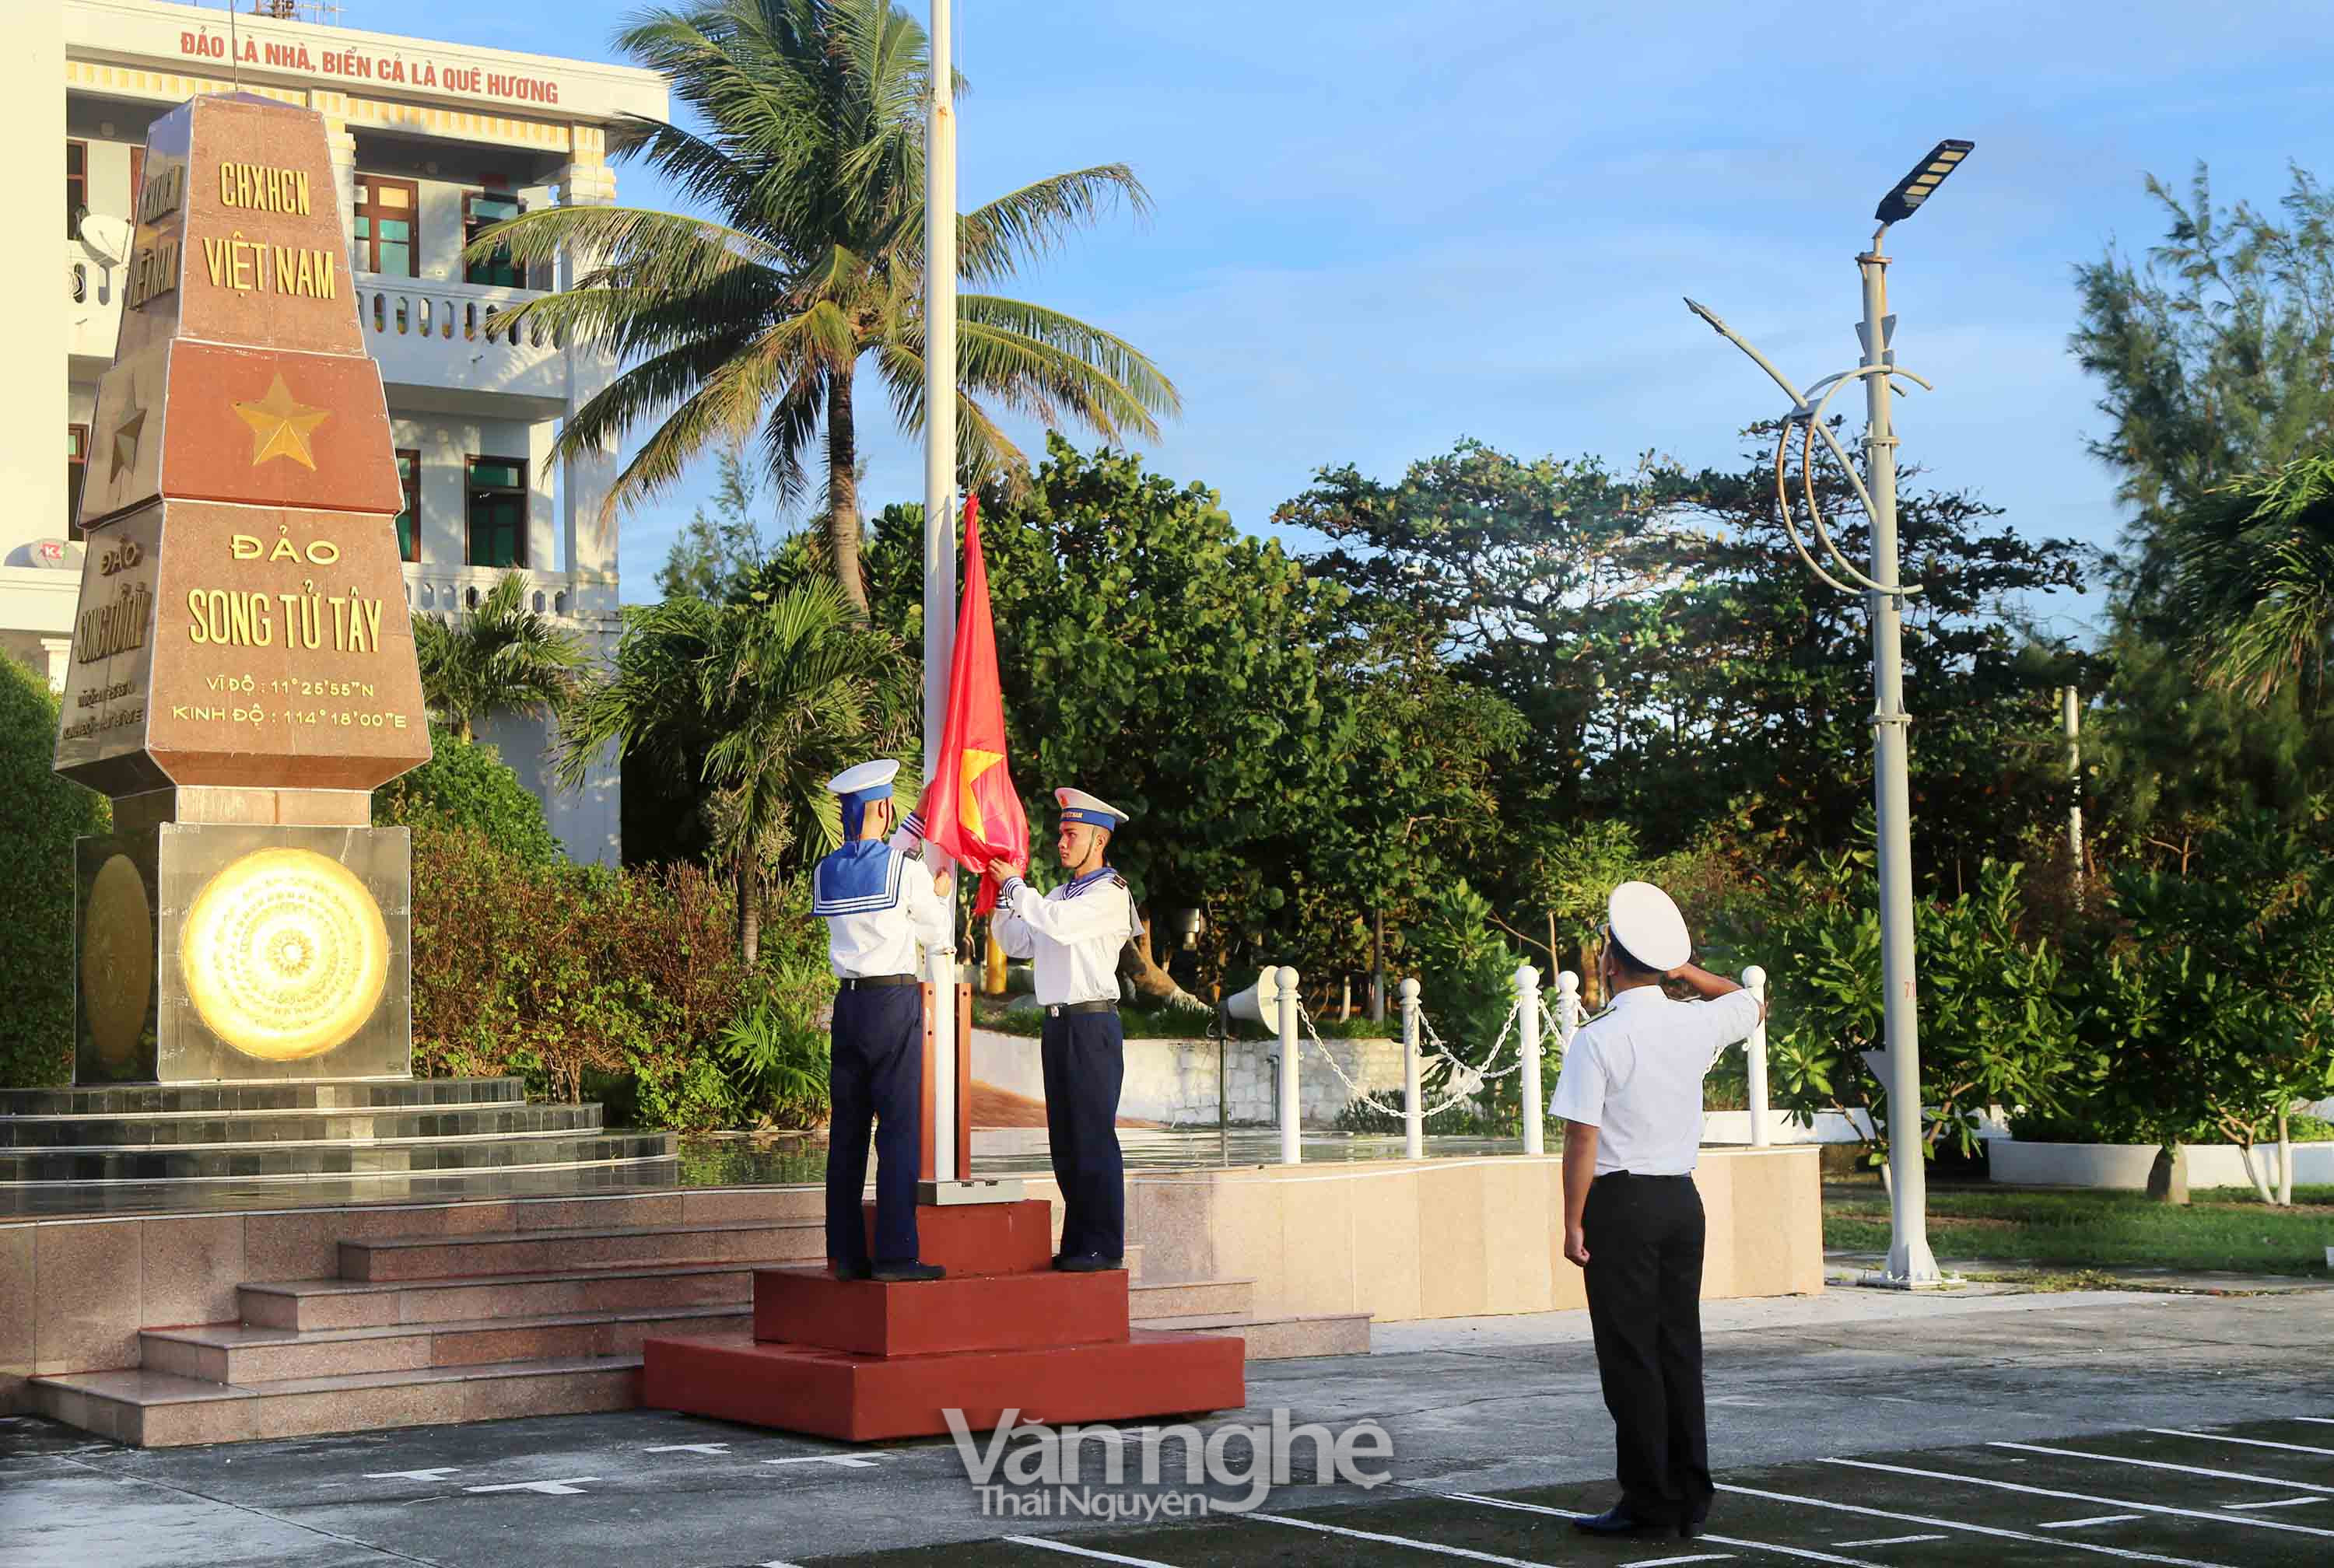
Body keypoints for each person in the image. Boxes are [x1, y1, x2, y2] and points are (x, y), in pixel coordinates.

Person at [1547, 880, 1767, 1541]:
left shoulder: (1598, 1038)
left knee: (1630, 1357)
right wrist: (1683, 968)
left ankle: (1649, 1501)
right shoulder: (1692, 1018)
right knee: (1677, 1349)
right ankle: (1689, 1497)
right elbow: (1748, 1002)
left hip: (1622, 1202)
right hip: (1680, 1201)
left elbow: (1582, 1136)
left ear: (1610, 962)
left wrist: (1572, 1219)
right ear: (1662, 964)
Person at [812, 760, 955, 1283]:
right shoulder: (907, 872)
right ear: (881, 807)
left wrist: (914, 823)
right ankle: (897, 1255)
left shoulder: (826, 871)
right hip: (892, 1005)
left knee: (847, 1135)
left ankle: (846, 1255)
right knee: (897, 1132)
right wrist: (939, 897)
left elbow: (877, 856)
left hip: (847, 1007)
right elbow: (936, 933)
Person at [988, 788, 1141, 1272]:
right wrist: (1000, 898)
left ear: (1099, 839)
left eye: (1071, 834)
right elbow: (1015, 940)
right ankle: (1079, 1242)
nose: (1062, 841)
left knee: (1093, 1137)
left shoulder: (1109, 892)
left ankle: (1103, 1244)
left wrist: (1016, 888)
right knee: (1066, 1141)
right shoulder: (1058, 893)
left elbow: (1057, 925)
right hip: (1058, 1025)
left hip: (1092, 1022)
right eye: (1060, 833)